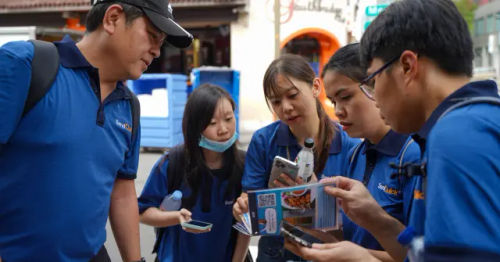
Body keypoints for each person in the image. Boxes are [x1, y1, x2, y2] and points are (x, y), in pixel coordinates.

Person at [291, 0, 500, 261]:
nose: (374, 97)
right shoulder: (474, 122)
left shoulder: (456, 137)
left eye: (374, 81)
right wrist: (378, 220)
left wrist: (363, 259)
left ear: (407, 67)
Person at [0, 0, 192, 261]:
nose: (158, 51)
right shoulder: (25, 65)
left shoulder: (128, 107)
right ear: (112, 18)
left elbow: (122, 192)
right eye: (152, 36)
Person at [233, 54, 359, 261]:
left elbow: (357, 222)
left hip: (330, 254)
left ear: (315, 87)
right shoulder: (263, 141)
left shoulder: (349, 144)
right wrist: (244, 209)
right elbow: (250, 199)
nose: (286, 107)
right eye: (276, 101)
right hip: (276, 253)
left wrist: (316, 197)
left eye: (292, 95)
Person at [138, 84, 250, 262]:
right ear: (195, 127)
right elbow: (142, 212)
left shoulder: (245, 165)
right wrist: (175, 218)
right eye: (212, 123)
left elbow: (246, 223)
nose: (223, 129)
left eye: (229, 119)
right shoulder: (172, 163)